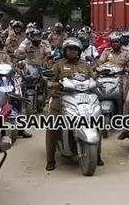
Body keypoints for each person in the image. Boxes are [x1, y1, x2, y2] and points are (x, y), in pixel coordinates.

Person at [45, 37, 103, 171]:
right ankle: (50, 159)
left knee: (98, 122)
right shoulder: (58, 64)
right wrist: (54, 85)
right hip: (61, 98)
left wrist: (97, 81)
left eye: (75, 49)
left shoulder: (86, 65)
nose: (72, 52)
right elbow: (50, 81)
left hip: (84, 98)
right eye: (69, 49)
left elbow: (93, 78)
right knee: (53, 124)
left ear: (79, 51)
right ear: (65, 51)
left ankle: (97, 154)